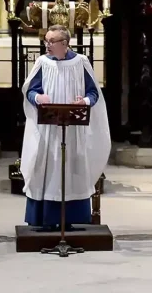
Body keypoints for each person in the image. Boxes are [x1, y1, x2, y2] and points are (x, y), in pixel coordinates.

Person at [21, 24, 110, 229]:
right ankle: (45, 219)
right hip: (48, 129)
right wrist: (38, 97)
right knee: (46, 170)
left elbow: (93, 93)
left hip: (73, 130)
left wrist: (84, 102)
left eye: (51, 41)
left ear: (65, 43)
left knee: (71, 172)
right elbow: (29, 90)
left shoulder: (81, 63)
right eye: (46, 41)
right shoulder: (43, 63)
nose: (47, 45)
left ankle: (69, 219)